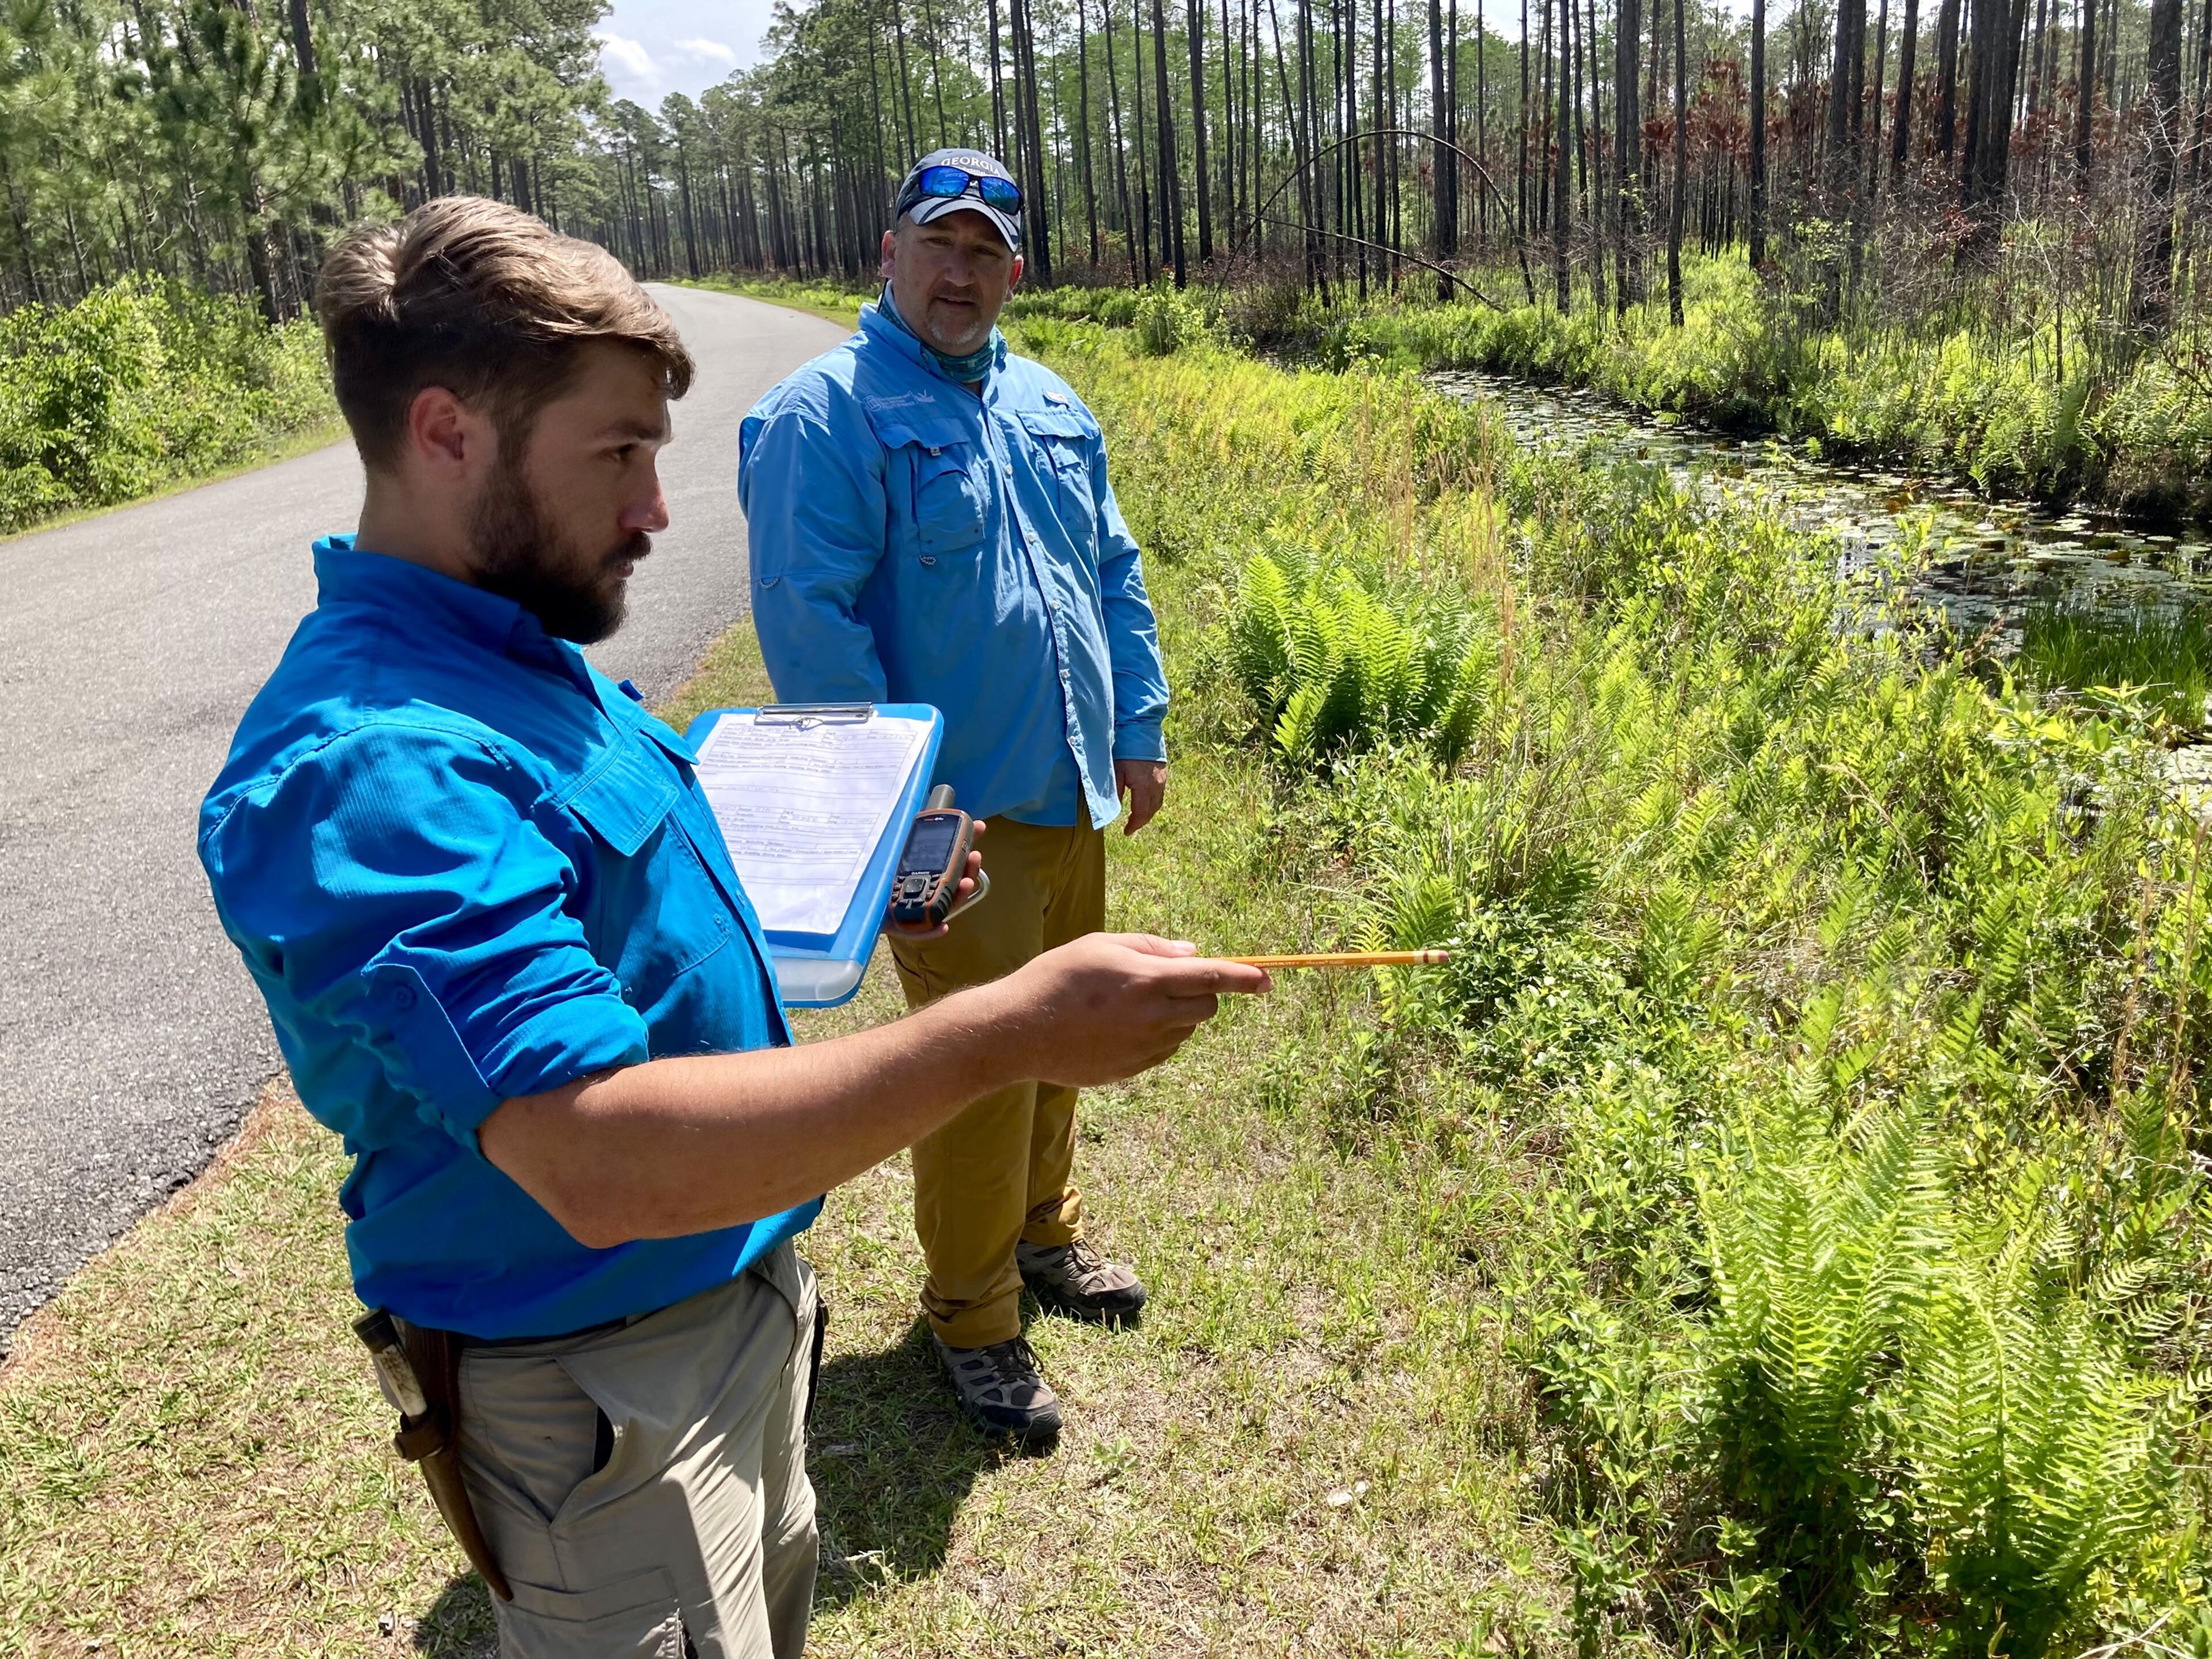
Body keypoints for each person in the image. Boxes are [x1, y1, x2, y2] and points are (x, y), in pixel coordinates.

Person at [196, 196, 1266, 1658]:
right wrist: (1010, 1024)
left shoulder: (511, 655)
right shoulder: (377, 762)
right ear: (447, 434)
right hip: (603, 1387)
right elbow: (601, 1151)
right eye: (620, 454)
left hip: (729, 1312)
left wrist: (851, 869)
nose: (653, 509)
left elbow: (620, 901)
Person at [738, 150, 1170, 1449]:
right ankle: (974, 1319)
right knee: (981, 1071)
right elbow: (809, 625)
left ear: (1015, 273)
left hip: (1070, 788)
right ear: (890, 251)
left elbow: (1112, 569)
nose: (961, 271)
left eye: (986, 251)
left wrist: (1138, 723)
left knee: (1070, 1029)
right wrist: (910, 812)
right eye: (941, 244)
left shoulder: (1048, 399)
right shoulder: (827, 413)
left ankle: (1044, 1233)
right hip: (959, 821)